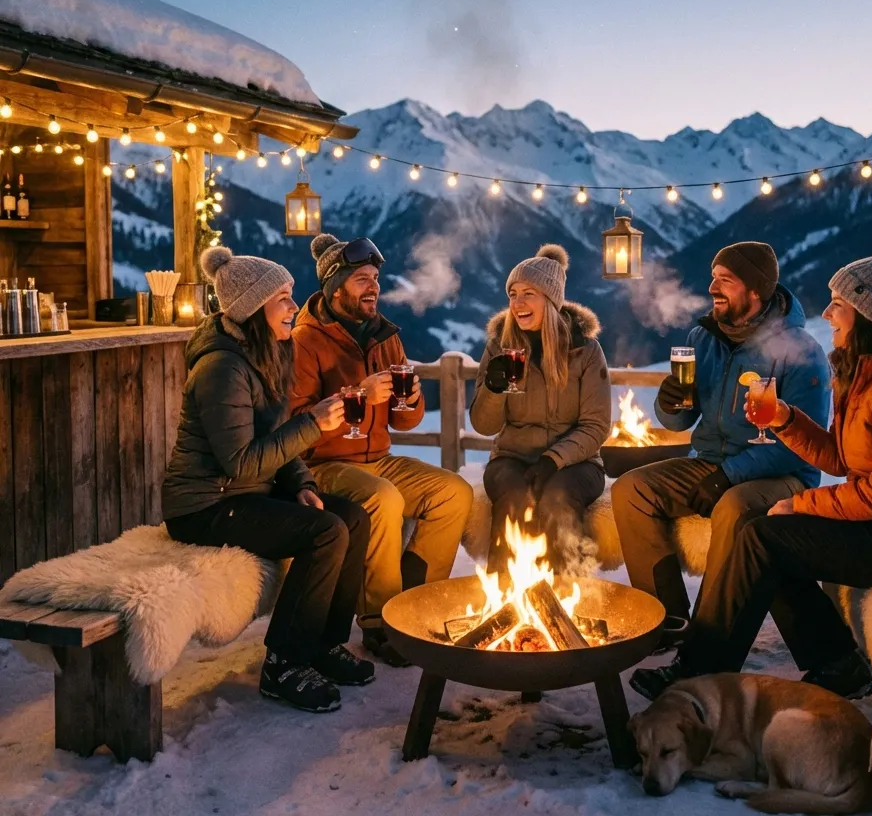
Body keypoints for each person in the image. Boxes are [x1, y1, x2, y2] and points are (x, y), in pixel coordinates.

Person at [632, 240, 872, 702]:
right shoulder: (870, 370)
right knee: (772, 538)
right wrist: (784, 419)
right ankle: (836, 662)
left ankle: (699, 670)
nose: (829, 315)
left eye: (838, 306)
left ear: (866, 314)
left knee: (764, 535)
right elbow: (840, 456)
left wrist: (800, 502)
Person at [162, 246, 373, 714]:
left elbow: (276, 434)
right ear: (254, 308)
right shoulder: (222, 367)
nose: (294, 307)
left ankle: (322, 644)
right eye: (282, 298)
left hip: (251, 491)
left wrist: (302, 483)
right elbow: (239, 462)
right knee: (324, 533)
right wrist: (314, 425)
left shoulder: (273, 349)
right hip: (205, 505)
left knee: (353, 519)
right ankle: (284, 663)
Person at [612, 241, 830, 657]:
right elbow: (676, 422)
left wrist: (729, 476)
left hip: (781, 476)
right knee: (630, 489)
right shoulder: (703, 338)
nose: (712, 286)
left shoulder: (801, 353)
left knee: (732, 506)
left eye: (725, 280)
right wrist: (671, 401)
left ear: (754, 291)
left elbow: (803, 447)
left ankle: (708, 635)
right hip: (711, 463)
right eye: (713, 276)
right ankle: (670, 620)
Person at [290, 233, 472, 667]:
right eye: (361, 280)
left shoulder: (385, 335)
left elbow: (403, 420)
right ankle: (380, 624)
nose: (373, 287)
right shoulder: (305, 340)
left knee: (454, 492)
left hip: (379, 457)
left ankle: (414, 602)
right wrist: (357, 392)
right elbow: (294, 423)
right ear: (335, 288)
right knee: (382, 498)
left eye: (375, 278)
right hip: (324, 463)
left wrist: (408, 402)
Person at [470, 244, 612, 572]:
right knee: (514, 497)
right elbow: (484, 425)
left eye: (528, 294)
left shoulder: (585, 352)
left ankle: (565, 596)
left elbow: (596, 426)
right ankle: (506, 600)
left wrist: (553, 460)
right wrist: (493, 388)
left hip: (577, 463)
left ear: (550, 299)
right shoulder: (499, 348)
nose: (517, 304)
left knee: (557, 500)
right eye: (513, 294)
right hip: (512, 458)